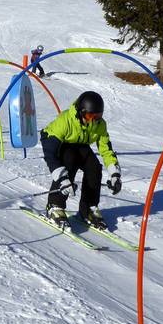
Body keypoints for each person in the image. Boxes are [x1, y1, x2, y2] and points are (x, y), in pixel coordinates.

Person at [40, 91, 121, 229]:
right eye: (90, 116)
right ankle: (55, 205)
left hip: (81, 145)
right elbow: (50, 153)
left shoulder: (100, 125)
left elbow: (106, 149)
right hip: (58, 143)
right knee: (69, 161)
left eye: (98, 116)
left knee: (94, 167)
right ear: (80, 112)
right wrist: (62, 178)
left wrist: (115, 174)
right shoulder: (65, 121)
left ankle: (88, 208)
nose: (93, 121)